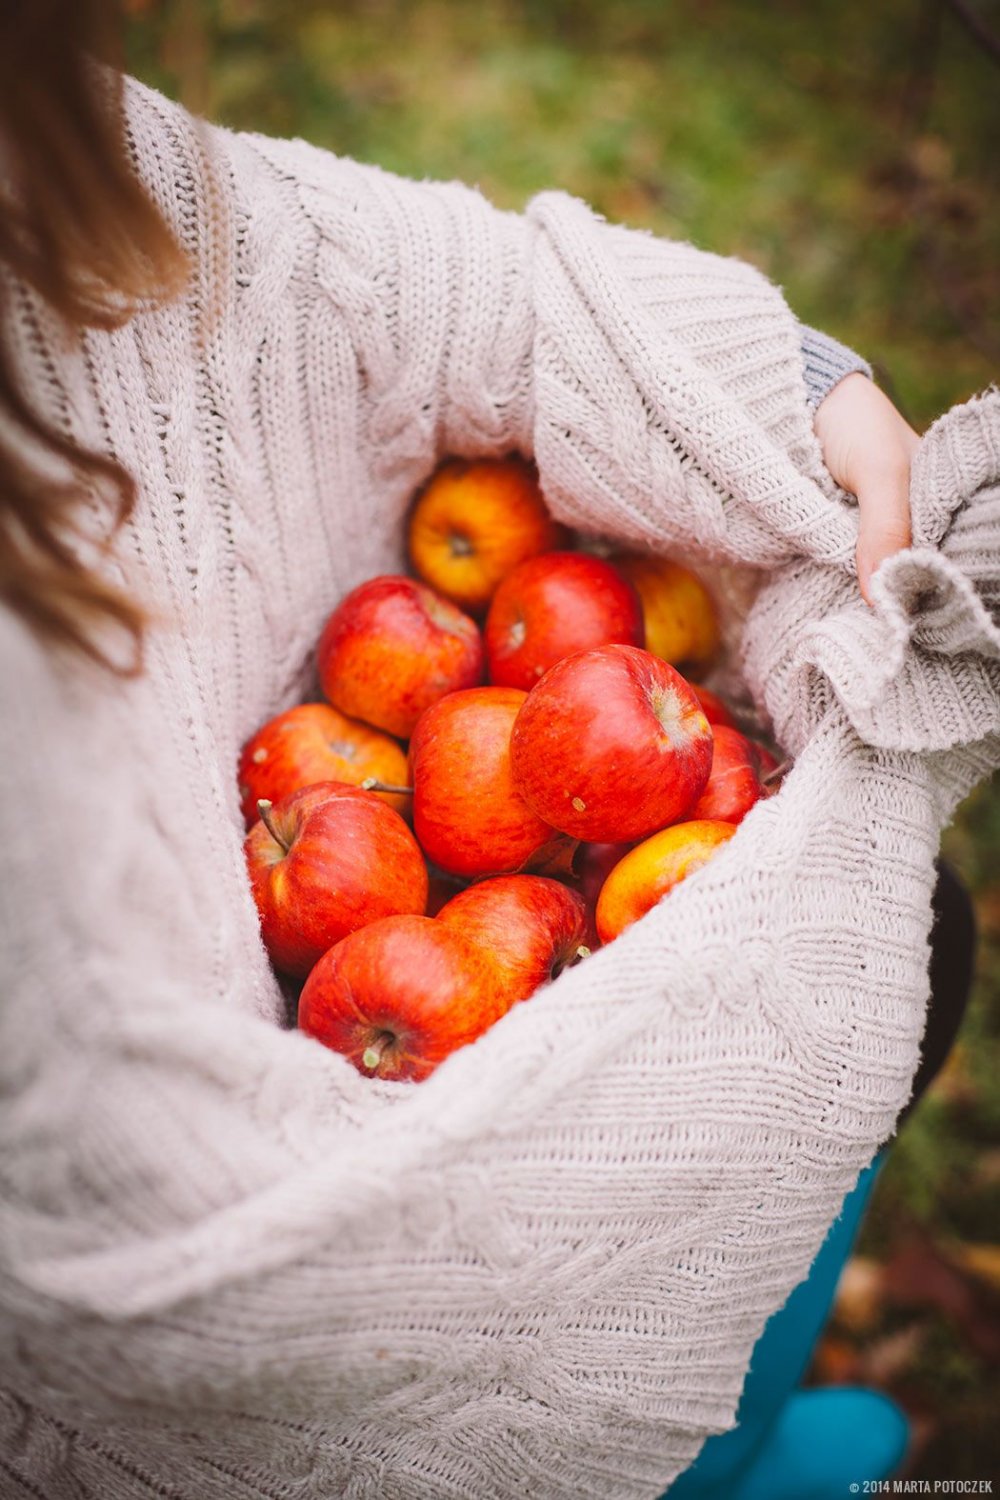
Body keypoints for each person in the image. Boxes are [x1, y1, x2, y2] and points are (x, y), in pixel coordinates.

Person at [0, 4, 979, 1497]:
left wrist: (800, 381)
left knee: (915, 958)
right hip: (312, 1328)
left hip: (466, 930)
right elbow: (213, 1272)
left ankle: (754, 1429)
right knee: (741, 1198)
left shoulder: (44, 167)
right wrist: (613, 1045)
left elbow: (416, 283)